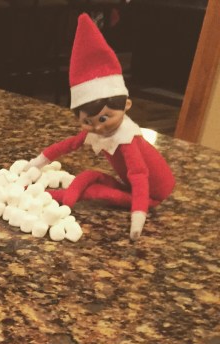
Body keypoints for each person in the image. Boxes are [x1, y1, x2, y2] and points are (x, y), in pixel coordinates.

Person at [25, 14, 175, 241]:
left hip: (151, 195)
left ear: (127, 105)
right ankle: (52, 196)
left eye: (104, 118)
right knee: (89, 175)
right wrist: (34, 164)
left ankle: (53, 197)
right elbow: (67, 145)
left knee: (97, 192)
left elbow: (139, 175)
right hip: (128, 184)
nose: (97, 127)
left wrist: (138, 217)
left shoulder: (127, 139)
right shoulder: (95, 131)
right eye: (87, 121)